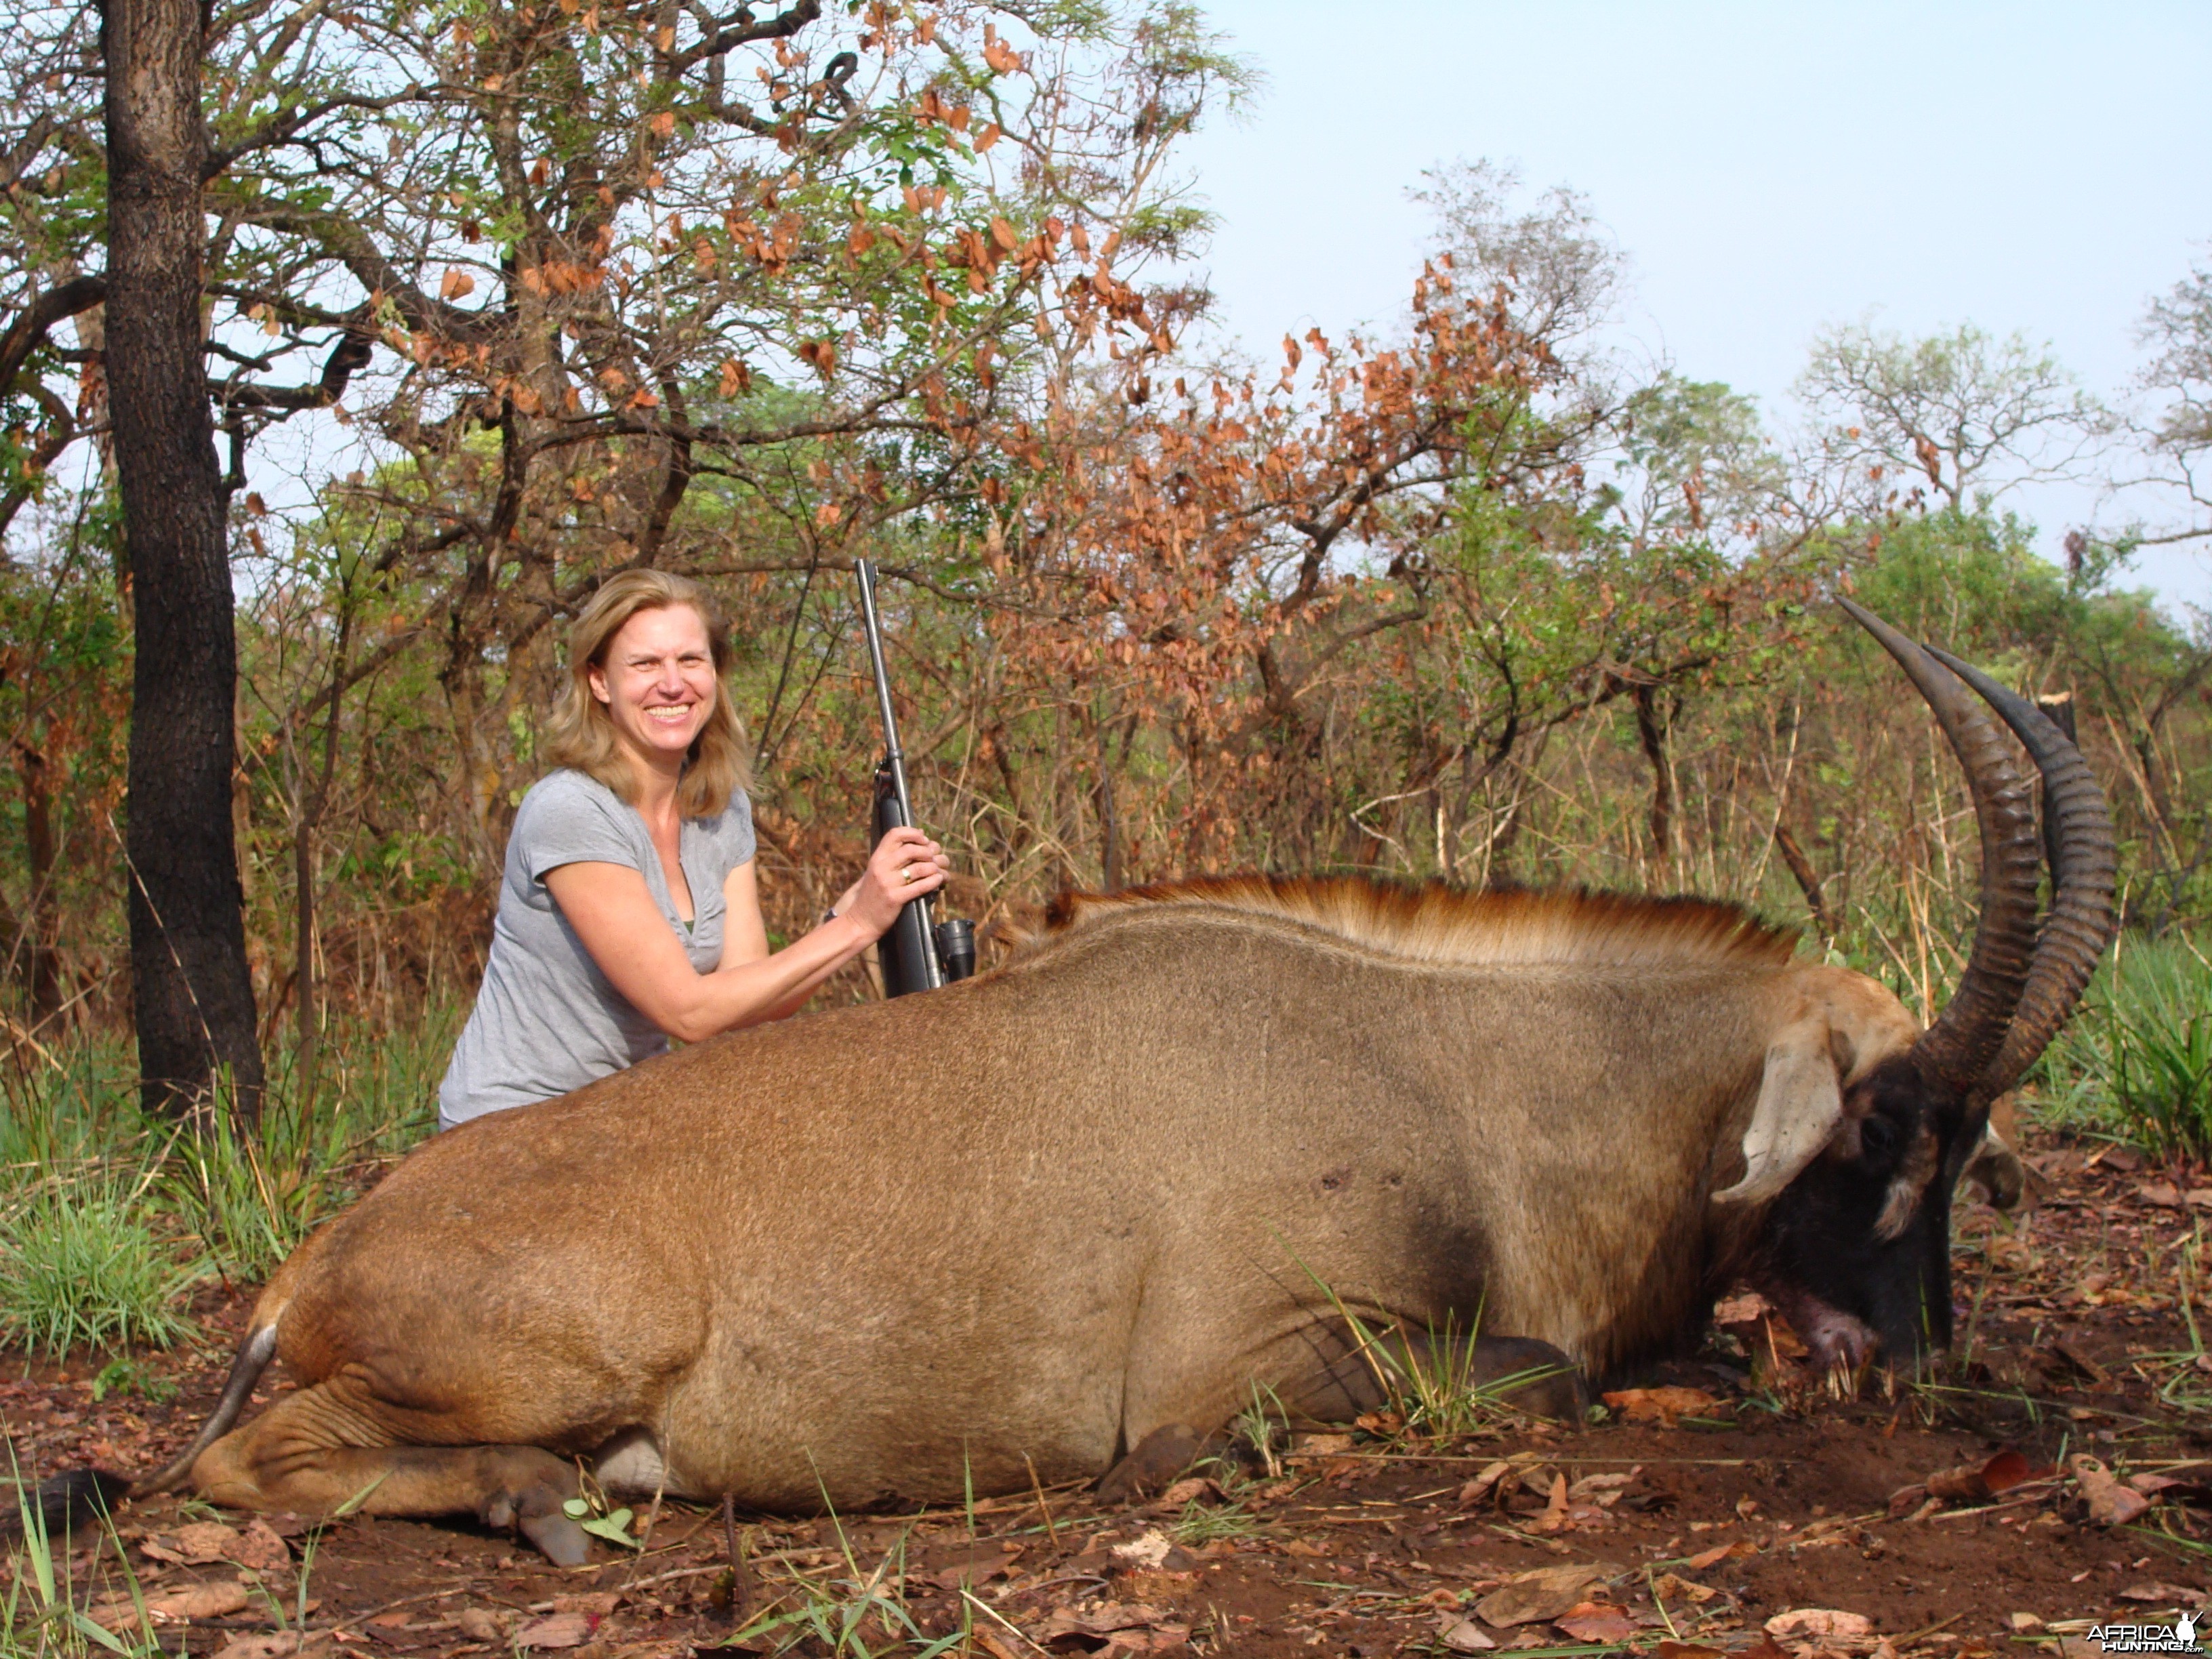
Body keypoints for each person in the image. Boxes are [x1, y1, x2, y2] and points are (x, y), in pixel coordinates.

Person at [436, 569, 949, 1129]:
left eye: (690, 661)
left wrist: (850, 911)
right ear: (599, 682)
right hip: (510, 1126)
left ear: (715, 675)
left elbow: (744, 1008)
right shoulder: (569, 810)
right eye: (645, 664)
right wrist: (857, 928)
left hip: (625, 1117)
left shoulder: (722, 809)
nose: (672, 684)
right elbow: (688, 1011)